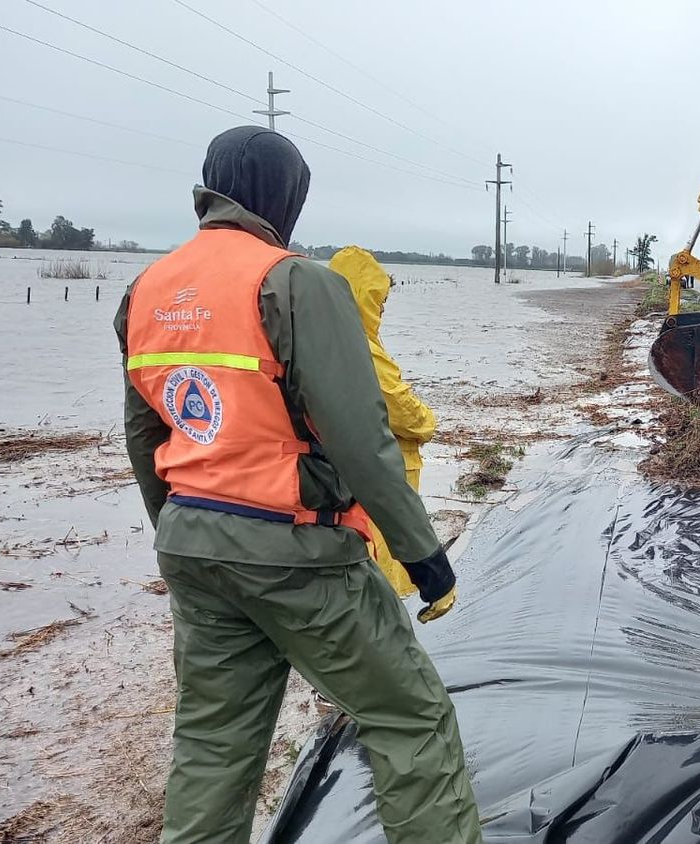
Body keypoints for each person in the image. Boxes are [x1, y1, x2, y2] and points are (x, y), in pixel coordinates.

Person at [115, 126, 481, 844]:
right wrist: (424, 557)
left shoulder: (146, 289)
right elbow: (361, 437)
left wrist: (180, 526)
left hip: (193, 547)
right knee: (410, 717)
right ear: (286, 196)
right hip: (298, 552)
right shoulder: (298, 281)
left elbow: (144, 434)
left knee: (213, 745)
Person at [329, 246, 441, 600]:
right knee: (381, 567)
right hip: (381, 474)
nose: (382, 307)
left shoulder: (323, 340)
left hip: (357, 476)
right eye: (378, 298)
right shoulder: (358, 346)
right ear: (360, 295)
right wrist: (427, 422)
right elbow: (399, 404)